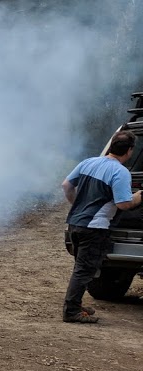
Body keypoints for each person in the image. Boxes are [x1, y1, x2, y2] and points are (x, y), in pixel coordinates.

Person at [62, 130, 143, 323]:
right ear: (130, 150)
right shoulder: (120, 172)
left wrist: (77, 205)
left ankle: (75, 305)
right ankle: (71, 312)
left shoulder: (88, 162)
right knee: (84, 270)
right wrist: (138, 197)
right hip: (94, 228)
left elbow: (66, 185)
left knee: (81, 268)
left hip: (75, 223)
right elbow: (124, 204)